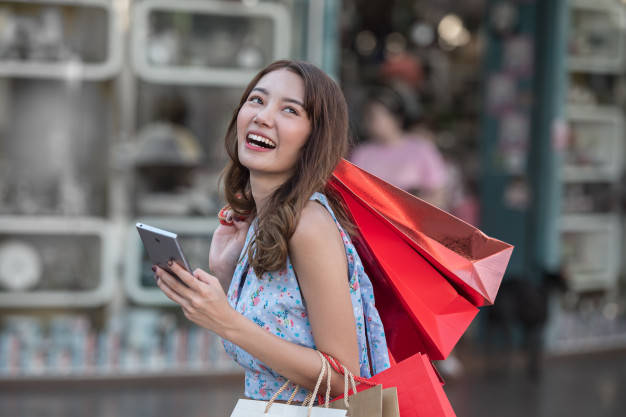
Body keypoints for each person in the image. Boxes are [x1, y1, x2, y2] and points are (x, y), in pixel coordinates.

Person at [152, 60, 390, 402]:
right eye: (257, 100)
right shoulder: (264, 220)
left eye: (289, 110)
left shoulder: (308, 223)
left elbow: (343, 379)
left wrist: (225, 321)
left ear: (314, 138)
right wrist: (224, 270)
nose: (263, 116)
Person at [349, 84, 449, 209]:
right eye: (368, 116)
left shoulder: (420, 148)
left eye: (375, 116)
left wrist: (411, 208)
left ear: (396, 117)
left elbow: (438, 193)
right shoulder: (362, 152)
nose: (370, 122)